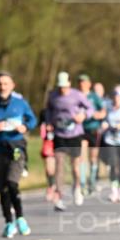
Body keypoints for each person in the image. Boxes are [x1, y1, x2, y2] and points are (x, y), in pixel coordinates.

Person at [0, 71, 37, 238]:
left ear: (12, 86)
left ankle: (20, 218)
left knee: (12, 183)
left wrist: (25, 127)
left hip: (16, 148)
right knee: (3, 189)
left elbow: (32, 120)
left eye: (6, 83)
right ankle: (8, 222)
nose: (2, 87)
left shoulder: (20, 104)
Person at [45, 71, 91, 210]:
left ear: (69, 84)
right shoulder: (53, 96)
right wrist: (48, 122)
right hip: (59, 134)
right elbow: (48, 110)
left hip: (74, 134)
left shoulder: (77, 95)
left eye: (64, 86)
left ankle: (77, 187)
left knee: (75, 166)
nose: (62, 89)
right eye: (60, 87)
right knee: (59, 165)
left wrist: (82, 116)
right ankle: (59, 196)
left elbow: (90, 108)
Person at [101, 85, 120, 203]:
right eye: (115, 96)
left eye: (119, 96)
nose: (116, 98)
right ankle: (114, 190)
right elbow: (104, 118)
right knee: (112, 165)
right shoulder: (108, 106)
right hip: (110, 140)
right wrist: (104, 124)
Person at [80, 75, 107, 195]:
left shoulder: (93, 96)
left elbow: (103, 111)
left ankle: (92, 181)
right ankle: (82, 183)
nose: (82, 84)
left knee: (93, 157)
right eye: (80, 82)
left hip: (93, 129)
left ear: (89, 83)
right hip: (80, 130)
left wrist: (97, 115)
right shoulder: (76, 95)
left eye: (84, 82)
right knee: (81, 156)